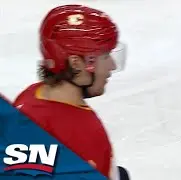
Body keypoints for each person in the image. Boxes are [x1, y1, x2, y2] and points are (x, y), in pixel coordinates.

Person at [13, 4, 128, 180]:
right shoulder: (85, 134)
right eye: (104, 56)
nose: (111, 66)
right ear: (76, 63)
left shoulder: (31, 95)